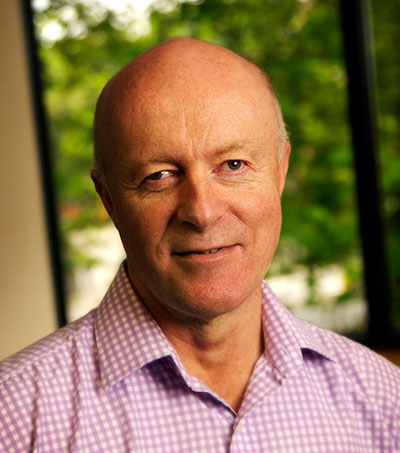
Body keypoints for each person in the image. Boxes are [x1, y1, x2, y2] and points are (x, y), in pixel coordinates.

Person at [0, 37, 399, 452]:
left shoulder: (385, 403)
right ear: (109, 200)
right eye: (159, 175)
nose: (202, 212)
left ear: (280, 172)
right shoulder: (13, 421)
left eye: (233, 165)